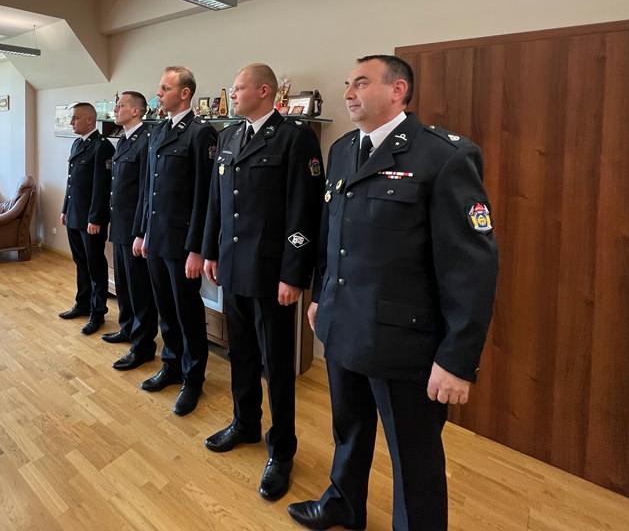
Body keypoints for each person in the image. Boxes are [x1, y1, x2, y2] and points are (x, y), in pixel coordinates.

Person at [287, 55, 499, 531]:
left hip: (404, 341)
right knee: (348, 430)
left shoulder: (443, 156)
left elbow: (472, 266)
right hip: (343, 324)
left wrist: (457, 359)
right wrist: (320, 295)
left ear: (398, 90)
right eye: (348, 84)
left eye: (361, 83)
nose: (348, 93)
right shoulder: (343, 149)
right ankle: (344, 504)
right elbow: (332, 235)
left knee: (414, 458)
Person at [202, 63, 325, 501]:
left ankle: (282, 449)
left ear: (264, 91)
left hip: (272, 273)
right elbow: (217, 201)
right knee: (241, 354)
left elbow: (304, 210)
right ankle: (246, 422)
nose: (232, 94)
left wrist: (294, 273)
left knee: (277, 364)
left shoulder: (294, 138)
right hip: (233, 266)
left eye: (238, 88)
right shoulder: (230, 137)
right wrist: (211, 250)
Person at [134, 66, 217, 416]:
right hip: (157, 237)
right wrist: (142, 231)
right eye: (159, 88)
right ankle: (171, 365)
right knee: (165, 308)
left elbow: (204, 195)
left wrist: (197, 248)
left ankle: (193, 377)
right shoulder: (158, 131)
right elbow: (149, 188)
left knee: (187, 312)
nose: (158, 93)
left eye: (165, 88)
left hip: (183, 243)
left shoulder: (200, 133)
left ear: (185, 93)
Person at [106, 91, 158, 370]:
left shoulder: (145, 141)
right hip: (120, 224)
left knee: (139, 290)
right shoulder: (124, 140)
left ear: (136, 111)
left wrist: (141, 231)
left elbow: (145, 192)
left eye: (120, 105)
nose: (116, 109)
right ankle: (127, 328)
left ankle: (143, 345)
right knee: (124, 285)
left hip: (134, 227)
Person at [58, 103, 115, 335]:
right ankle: (82, 304)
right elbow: (71, 180)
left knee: (95, 265)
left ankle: (98, 312)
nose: (72, 122)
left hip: (91, 220)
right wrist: (65, 208)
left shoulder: (102, 147)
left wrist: (96, 218)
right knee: (80, 262)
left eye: (75, 118)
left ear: (90, 120)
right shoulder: (77, 143)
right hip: (74, 214)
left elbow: (102, 187)